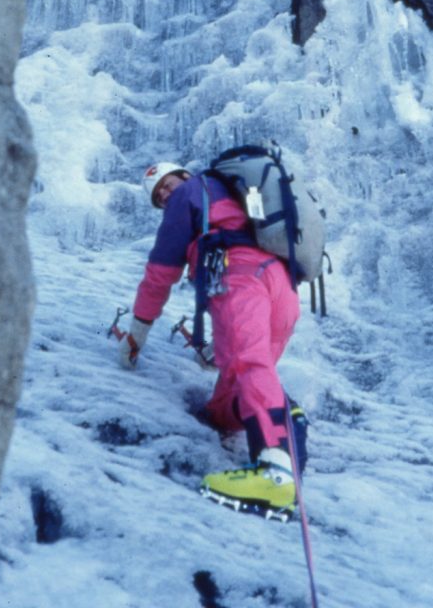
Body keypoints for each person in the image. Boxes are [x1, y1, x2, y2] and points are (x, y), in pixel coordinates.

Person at [115, 159, 308, 517]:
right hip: (281, 283)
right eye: (159, 196)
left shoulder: (189, 193)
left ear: (185, 176)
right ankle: (286, 413)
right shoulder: (231, 191)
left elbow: (159, 274)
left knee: (248, 365)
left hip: (238, 275)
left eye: (168, 184)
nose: (166, 195)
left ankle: (275, 472)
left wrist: (136, 334)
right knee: (238, 386)